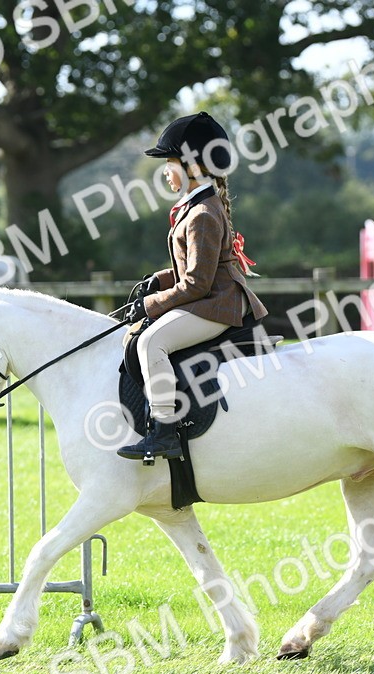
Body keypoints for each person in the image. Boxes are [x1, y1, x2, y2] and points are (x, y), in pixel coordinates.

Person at [117, 111, 268, 461]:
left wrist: (152, 304)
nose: (166, 172)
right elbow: (197, 269)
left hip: (218, 304)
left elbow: (198, 284)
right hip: (211, 295)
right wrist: (161, 279)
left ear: (193, 166)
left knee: (152, 341)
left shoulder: (201, 214)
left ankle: (164, 431)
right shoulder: (196, 206)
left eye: (170, 162)